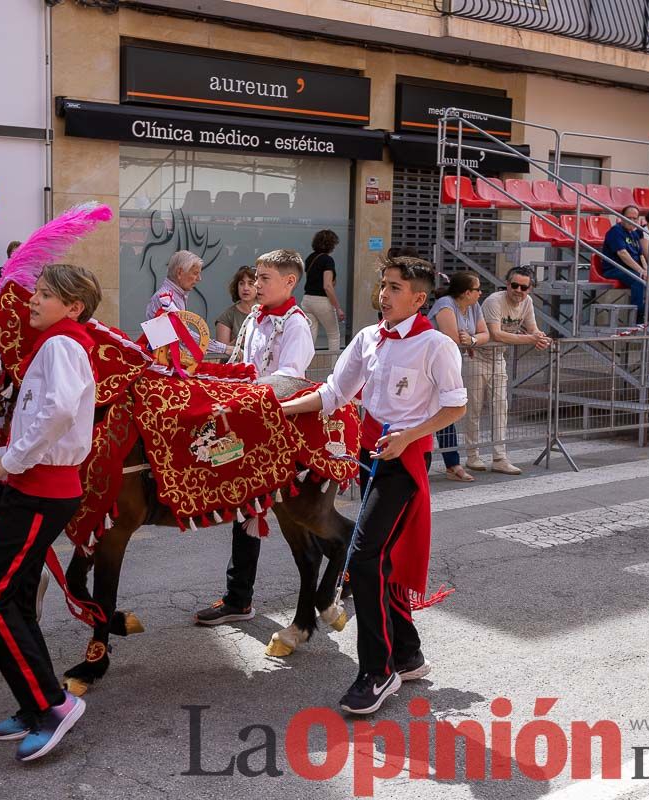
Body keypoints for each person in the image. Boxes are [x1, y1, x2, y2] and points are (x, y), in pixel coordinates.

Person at [280, 255, 466, 715]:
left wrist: (409, 436)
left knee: (363, 560)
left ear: (418, 299)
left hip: (405, 464)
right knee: (377, 558)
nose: (383, 294)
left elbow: (455, 406)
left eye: (395, 287)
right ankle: (408, 654)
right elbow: (333, 394)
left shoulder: (436, 345)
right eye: (383, 285)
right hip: (372, 458)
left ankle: (378, 672)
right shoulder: (368, 339)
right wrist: (278, 409)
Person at [0, 263, 99, 762]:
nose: (32, 300)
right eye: (36, 293)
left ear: (73, 307)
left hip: (42, 488)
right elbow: (43, 412)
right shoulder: (58, 343)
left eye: (45, 295)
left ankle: (51, 703)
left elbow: (61, 410)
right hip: (38, 485)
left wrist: (10, 459)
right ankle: (34, 702)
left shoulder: (62, 344)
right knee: (14, 597)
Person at [194, 249, 314, 626]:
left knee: (292, 516)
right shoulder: (254, 319)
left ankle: (327, 579)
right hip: (247, 423)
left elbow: (290, 377)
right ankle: (239, 597)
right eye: (256, 277)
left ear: (289, 282)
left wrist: (242, 394)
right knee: (244, 511)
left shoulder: (296, 324)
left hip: (276, 428)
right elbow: (238, 366)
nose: (256, 285)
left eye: (264, 279)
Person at [480, 266, 552, 474]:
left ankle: (499, 458)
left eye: (524, 287)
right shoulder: (494, 301)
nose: (518, 290)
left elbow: (532, 327)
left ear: (530, 289)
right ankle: (472, 455)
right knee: (473, 409)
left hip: (498, 358)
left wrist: (539, 337)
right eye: (514, 285)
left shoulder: (527, 302)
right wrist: (530, 339)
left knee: (500, 407)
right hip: (476, 356)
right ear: (507, 284)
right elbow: (497, 333)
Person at [427, 271, 488, 480]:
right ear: (465, 292)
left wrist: (471, 340)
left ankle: (452, 464)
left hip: (449, 367)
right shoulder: (446, 304)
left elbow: (485, 335)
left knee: (446, 413)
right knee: (426, 413)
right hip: (428, 366)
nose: (481, 293)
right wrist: (469, 341)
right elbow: (451, 339)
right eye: (477, 289)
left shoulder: (474, 306)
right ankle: (425, 463)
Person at [601, 205, 649, 323]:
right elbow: (623, 254)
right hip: (614, 268)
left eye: (635, 219)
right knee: (638, 279)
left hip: (632, 269)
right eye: (629, 218)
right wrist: (641, 272)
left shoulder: (634, 233)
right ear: (621, 217)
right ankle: (637, 318)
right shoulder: (616, 231)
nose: (632, 221)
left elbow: (641, 255)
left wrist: (646, 270)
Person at [302, 229, 346, 351]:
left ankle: (304, 366)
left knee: (310, 337)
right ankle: (334, 368)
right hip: (321, 301)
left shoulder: (310, 258)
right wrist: (338, 308)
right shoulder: (327, 260)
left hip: (307, 300)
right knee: (334, 336)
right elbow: (327, 285)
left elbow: (311, 280)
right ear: (331, 244)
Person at [145, 250, 202, 321]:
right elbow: (174, 331)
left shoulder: (176, 295)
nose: (199, 278)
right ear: (179, 272)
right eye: (195, 273)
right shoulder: (164, 299)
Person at [214, 265, 257, 349]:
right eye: (241, 283)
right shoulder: (227, 316)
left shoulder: (268, 312)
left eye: (251, 283)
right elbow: (220, 353)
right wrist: (238, 341)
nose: (245, 288)